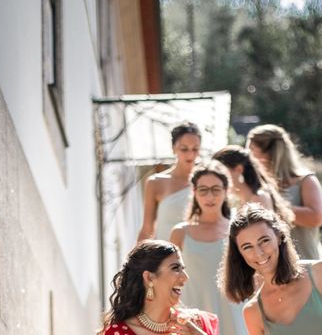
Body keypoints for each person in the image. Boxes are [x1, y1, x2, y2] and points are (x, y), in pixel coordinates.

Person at [220, 204, 322, 335]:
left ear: (279, 237)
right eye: (247, 247)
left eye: (264, 240)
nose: (259, 252)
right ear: (239, 254)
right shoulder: (253, 313)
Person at [170, 161, 247, 334]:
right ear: (194, 192)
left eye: (216, 189)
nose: (209, 197)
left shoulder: (239, 230)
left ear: (226, 191)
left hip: (233, 312)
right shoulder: (180, 232)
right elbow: (168, 278)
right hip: (193, 314)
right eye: (203, 190)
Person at [100, 240, 218, 335]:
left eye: (183, 269)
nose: (185, 277)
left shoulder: (195, 324)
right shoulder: (118, 332)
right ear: (149, 277)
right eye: (175, 268)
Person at [247, 124, 322, 259]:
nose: (249, 158)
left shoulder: (306, 181)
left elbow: (316, 218)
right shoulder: (258, 186)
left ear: (269, 154)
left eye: (251, 151)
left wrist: (272, 206)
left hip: (306, 262)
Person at [138, 122, 202, 241]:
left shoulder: (206, 182)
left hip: (198, 253)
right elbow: (147, 229)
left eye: (195, 149)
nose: (190, 154)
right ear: (173, 148)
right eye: (184, 149)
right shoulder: (155, 183)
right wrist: (135, 258)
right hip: (166, 255)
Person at [212, 145, 294, 225]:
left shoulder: (260, 199)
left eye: (222, 173)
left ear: (239, 169)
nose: (218, 179)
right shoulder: (242, 202)